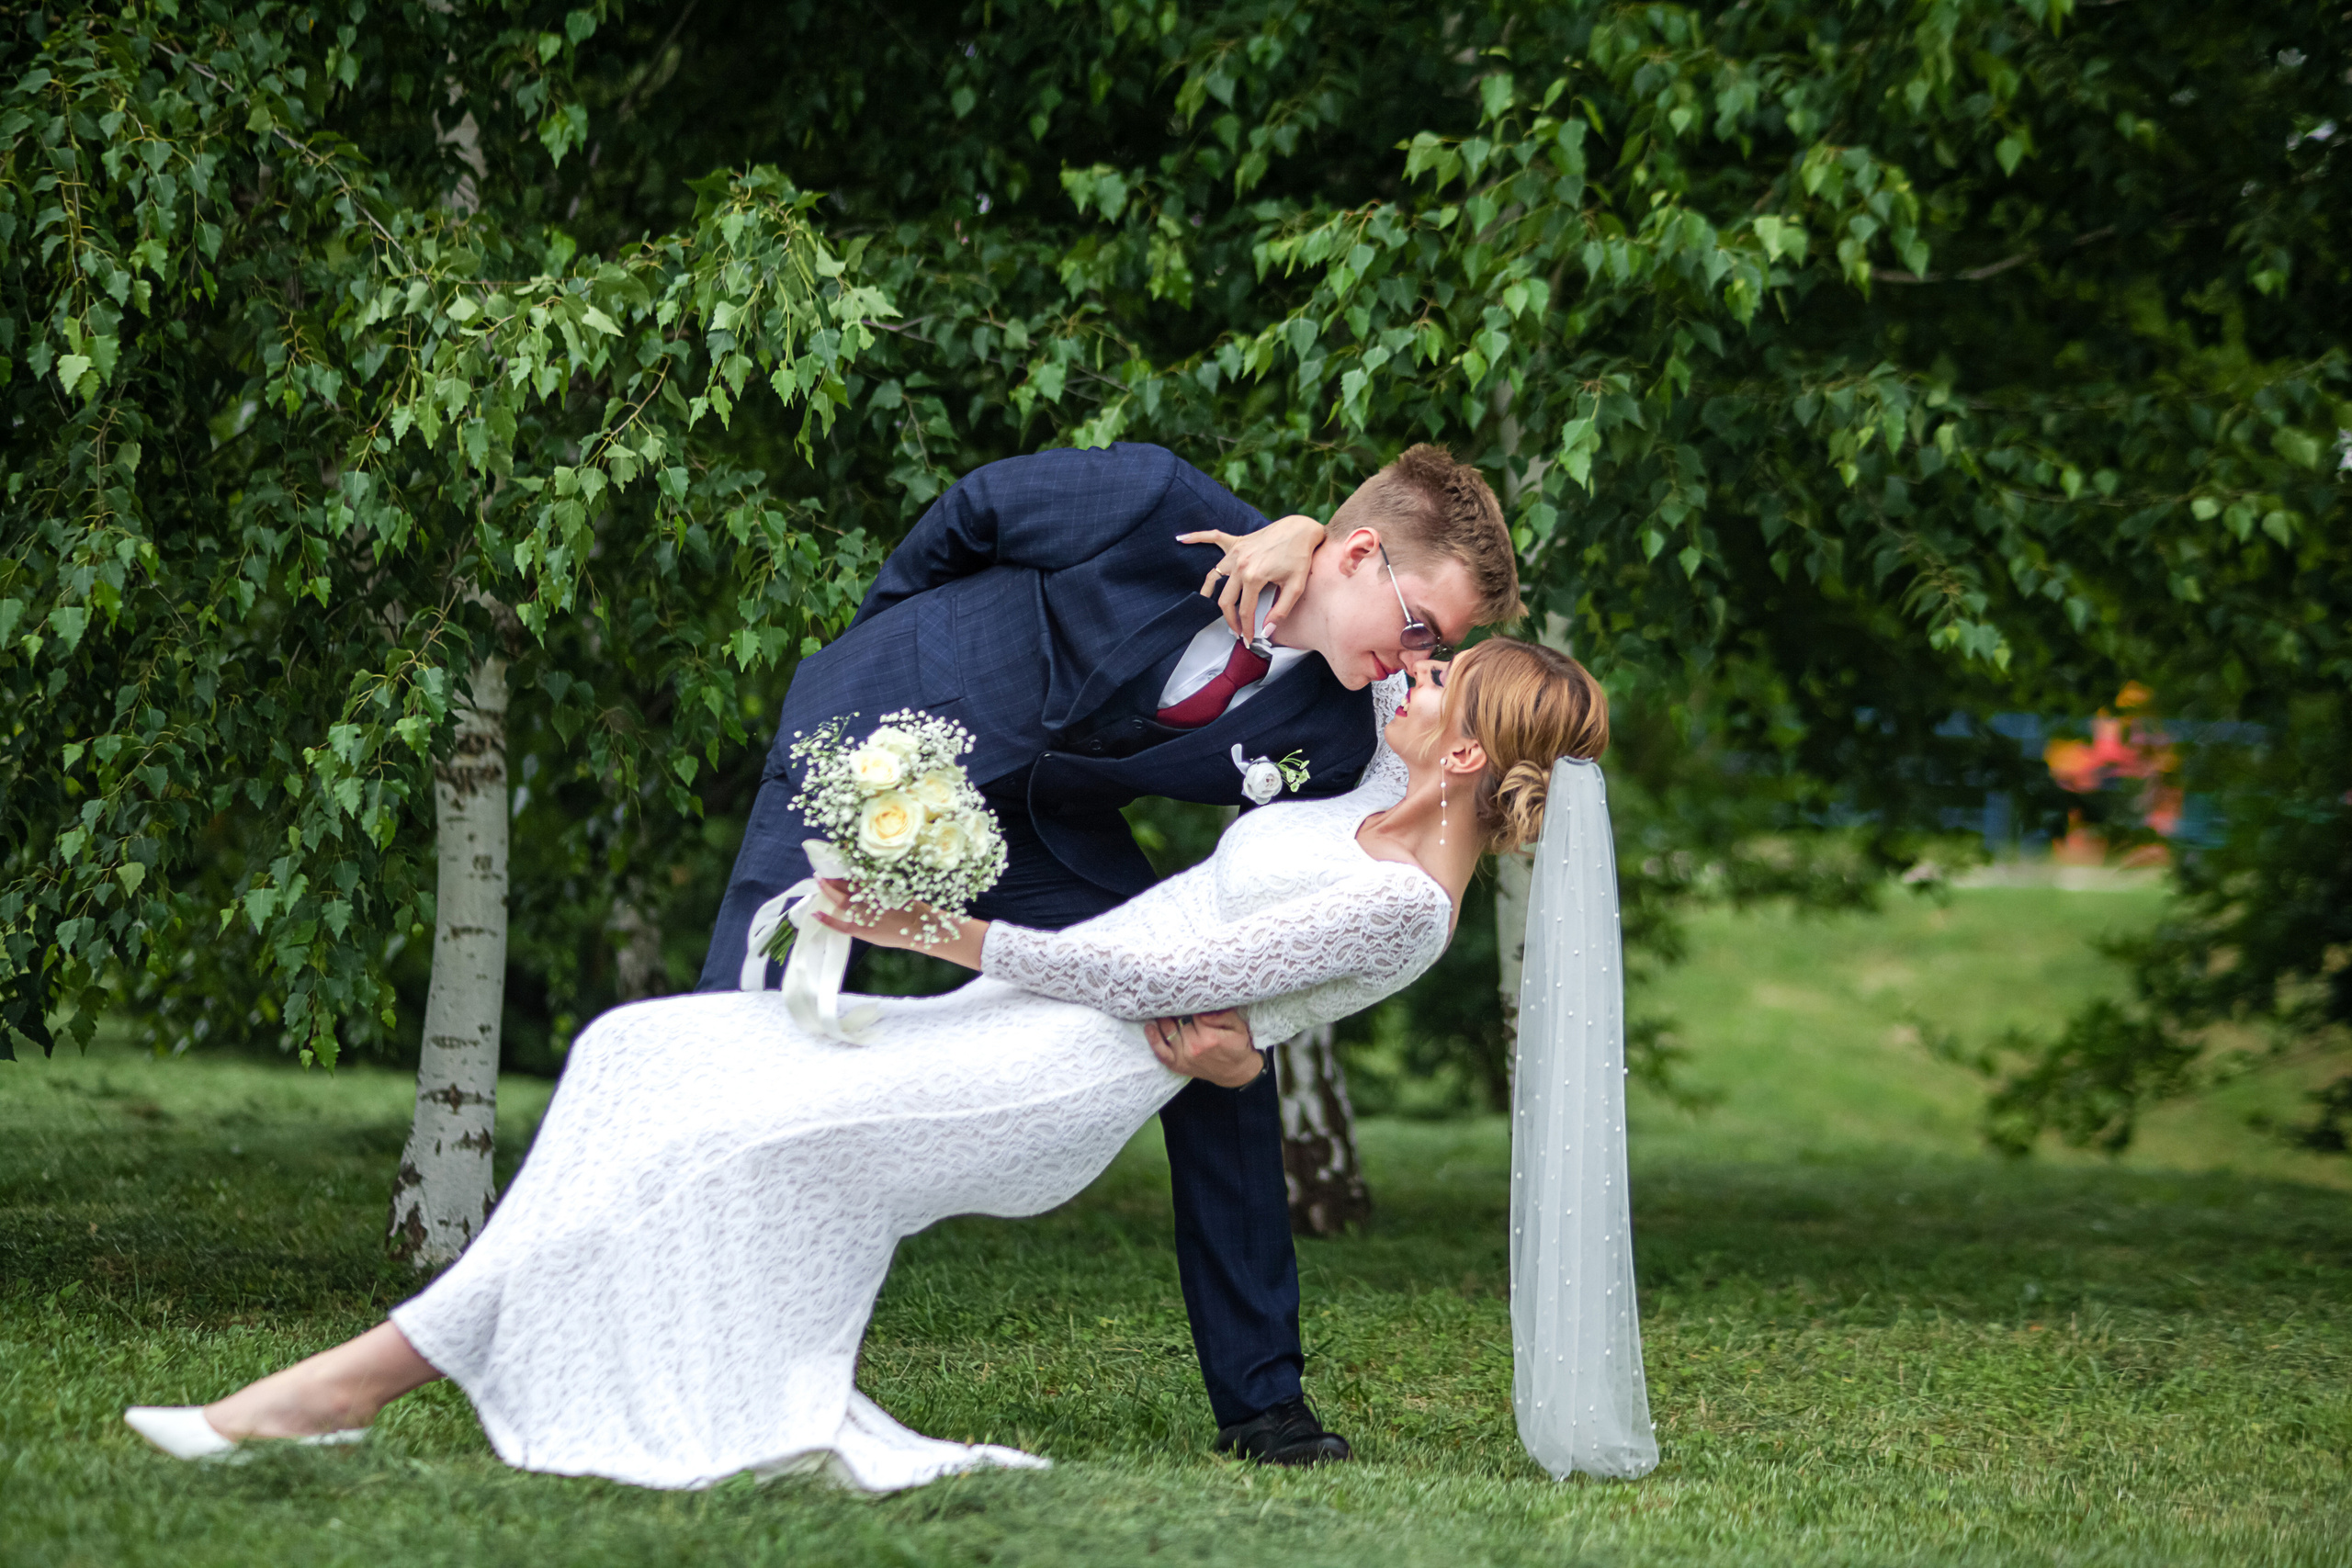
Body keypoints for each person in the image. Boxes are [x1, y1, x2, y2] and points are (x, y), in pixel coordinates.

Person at [127, 638, 1611, 1493]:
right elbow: (1344, 633)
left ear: (1471, 761)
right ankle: (518, 1370)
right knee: (647, 1049)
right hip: (1027, 1024)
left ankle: (345, 1384)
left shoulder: (1405, 897)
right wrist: (1302, 546)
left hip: (1050, 1075)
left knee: (715, 1143)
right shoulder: (1373, 792)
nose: (1404, 677)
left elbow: (1169, 984)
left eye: (1436, 678)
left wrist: (945, 930)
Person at [697, 440, 1523, 1465]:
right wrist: (892, 661)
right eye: (1419, 628)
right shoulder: (1155, 501)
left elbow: (1442, 789)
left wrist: (1248, 1047)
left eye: (1432, 644)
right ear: (1359, 555)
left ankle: (1264, 1406)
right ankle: (706, 1321)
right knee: (754, 1008)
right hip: (876, 748)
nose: (1413, 658)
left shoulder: (1344, 727)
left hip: (1047, 832)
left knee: (1212, 1038)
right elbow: (970, 513)